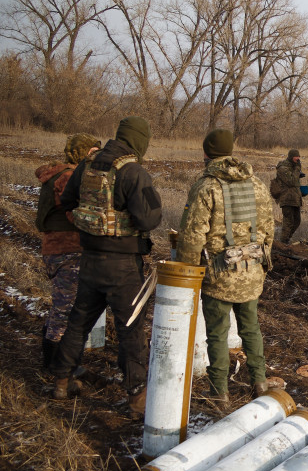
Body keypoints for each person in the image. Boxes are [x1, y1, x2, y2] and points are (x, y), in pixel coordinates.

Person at [49, 116, 162, 419]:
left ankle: (61, 380)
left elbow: (68, 201)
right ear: (140, 141)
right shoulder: (134, 171)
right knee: (131, 331)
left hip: (89, 259)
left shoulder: (87, 165)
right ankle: (137, 397)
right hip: (123, 265)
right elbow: (149, 219)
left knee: (79, 321)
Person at [176, 129, 276, 410]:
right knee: (251, 329)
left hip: (219, 276)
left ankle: (219, 394)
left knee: (218, 335)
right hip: (252, 272)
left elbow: (192, 235)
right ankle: (260, 382)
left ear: (207, 153)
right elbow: (268, 230)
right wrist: (261, 266)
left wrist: (188, 273)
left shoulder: (206, 186)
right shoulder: (256, 184)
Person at [35, 133, 101, 369]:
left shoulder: (59, 173)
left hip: (56, 248)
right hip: (67, 249)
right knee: (66, 309)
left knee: (61, 304)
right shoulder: (69, 177)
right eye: (93, 152)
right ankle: (56, 364)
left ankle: (52, 358)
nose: (97, 156)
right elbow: (75, 214)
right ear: (84, 153)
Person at [275, 148, 303, 243]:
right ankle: (283, 242)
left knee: (297, 221)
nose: (298, 159)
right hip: (287, 199)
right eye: (296, 157)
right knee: (288, 223)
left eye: (299, 157)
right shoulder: (283, 168)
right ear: (291, 157)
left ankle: (287, 239)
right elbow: (291, 181)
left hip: (294, 199)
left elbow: (294, 181)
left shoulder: (293, 167)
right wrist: (297, 169)